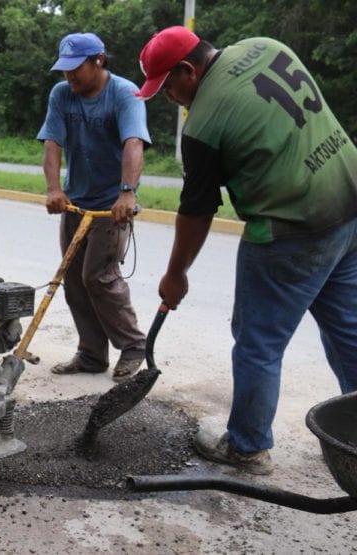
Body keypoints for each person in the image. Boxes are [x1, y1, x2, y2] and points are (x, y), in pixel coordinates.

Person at [136, 26, 357, 474]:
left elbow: (197, 212)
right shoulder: (267, 46)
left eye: (167, 87)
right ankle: (353, 437)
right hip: (349, 205)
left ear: (188, 70)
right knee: (349, 330)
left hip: (292, 229)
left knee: (258, 342)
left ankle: (247, 447)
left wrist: (176, 274)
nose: (168, 97)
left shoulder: (202, 125)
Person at [37, 32, 151, 382]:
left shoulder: (124, 93)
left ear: (99, 60)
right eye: (65, 68)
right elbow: (53, 143)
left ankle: (134, 346)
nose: (69, 75)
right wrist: (54, 189)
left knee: (98, 277)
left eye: (76, 68)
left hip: (110, 207)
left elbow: (133, 143)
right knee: (73, 280)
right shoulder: (62, 94)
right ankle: (91, 354)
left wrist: (127, 193)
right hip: (76, 202)